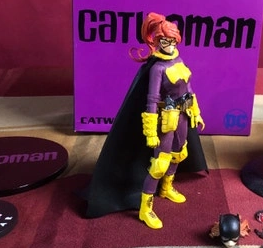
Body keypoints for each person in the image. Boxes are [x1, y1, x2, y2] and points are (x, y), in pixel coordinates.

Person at [85, 12, 207, 229]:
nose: (169, 45)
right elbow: (151, 100)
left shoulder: (178, 60)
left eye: (172, 40)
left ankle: (166, 188)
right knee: (160, 163)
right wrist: (150, 132)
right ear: (157, 41)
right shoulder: (158, 68)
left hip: (182, 115)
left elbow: (188, 89)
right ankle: (145, 208)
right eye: (164, 41)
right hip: (165, 119)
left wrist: (195, 113)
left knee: (179, 154)